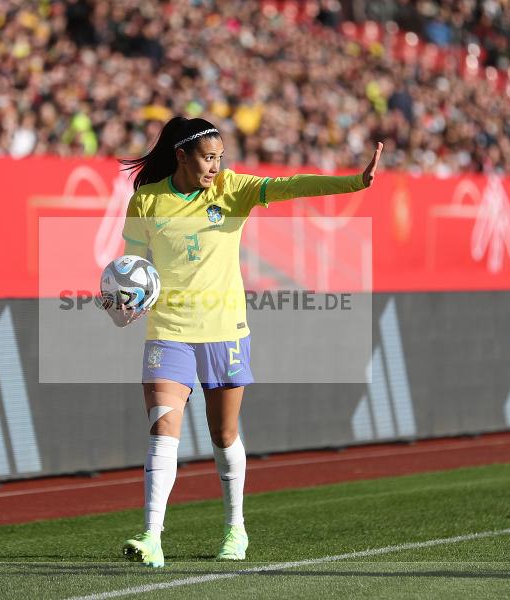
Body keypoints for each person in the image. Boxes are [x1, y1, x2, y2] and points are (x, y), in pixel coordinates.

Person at [106, 116, 382, 567]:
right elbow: (133, 267)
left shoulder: (232, 189)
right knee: (163, 430)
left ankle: (236, 527)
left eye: (219, 157)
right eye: (207, 158)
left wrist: (354, 182)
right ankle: (151, 535)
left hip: (225, 329)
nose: (215, 166)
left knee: (223, 434)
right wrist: (124, 301)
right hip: (169, 331)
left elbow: (292, 186)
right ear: (182, 156)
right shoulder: (147, 200)